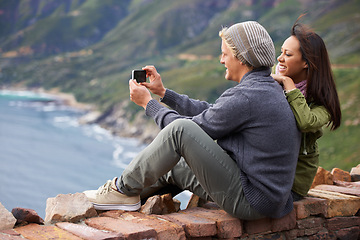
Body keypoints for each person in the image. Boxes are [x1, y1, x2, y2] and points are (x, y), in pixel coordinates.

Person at [84, 21, 301, 220]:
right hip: (266, 199)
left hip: (253, 202)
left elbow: (183, 132)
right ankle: (125, 197)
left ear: (241, 57)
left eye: (224, 54)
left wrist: (149, 105)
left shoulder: (248, 96)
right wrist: (164, 93)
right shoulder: (266, 88)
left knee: (180, 130)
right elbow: (214, 113)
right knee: (174, 166)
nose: (221, 59)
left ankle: (121, 190)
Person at [272, 19, 341, 201]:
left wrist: (289, 85)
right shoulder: (274, 80)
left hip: (291, 186)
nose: (280, 59)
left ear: (306, 62)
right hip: (268, 172)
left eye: (287, 54)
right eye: (281, 52)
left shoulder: (322, 105)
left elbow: (305, 122)